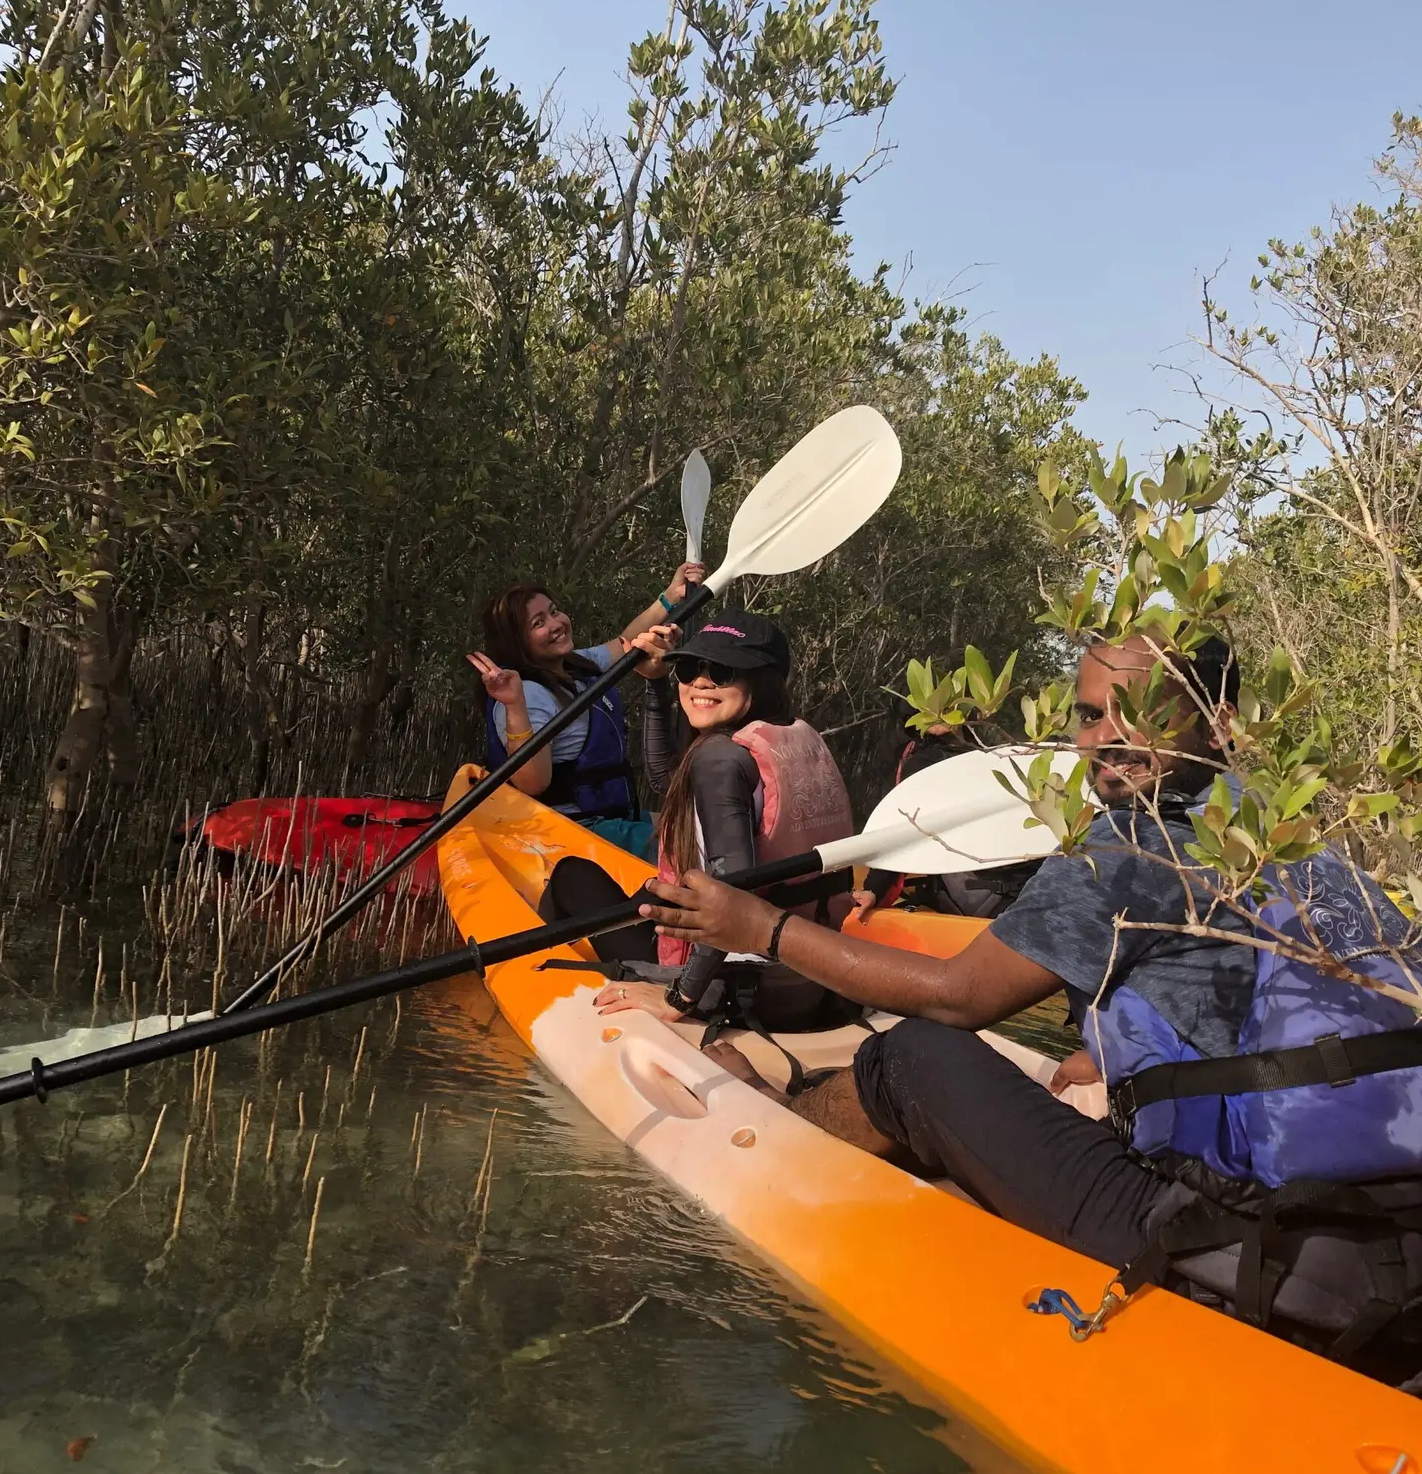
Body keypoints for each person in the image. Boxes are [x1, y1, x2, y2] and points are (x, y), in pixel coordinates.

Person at [639, 631, 1422, 1388]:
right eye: (1089, 714)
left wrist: (760, 929)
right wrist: (1108, 1057)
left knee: (912, 1057)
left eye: (1141, 708)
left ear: (1215, 719)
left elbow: (959, 998)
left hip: (1220, 1238)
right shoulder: (1284, 831)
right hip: (1379, 1238)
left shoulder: (1129, 849)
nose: (1107, 736)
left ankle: (780, 1119)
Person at [587, 609, 855, 1034]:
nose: (701, 681)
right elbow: (664, 778)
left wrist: (679, 998)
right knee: (632, 900)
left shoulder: (721, 757)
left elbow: (730, 892)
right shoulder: (793, 736)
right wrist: (656, 683)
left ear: (760, 680)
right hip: (812, 980)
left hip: (740, 992)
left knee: (574, 880)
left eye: (723, 671)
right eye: (691, 667)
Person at [467, 564, 703, 858]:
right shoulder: (528, 693)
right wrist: (514, 704)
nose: (555, 624)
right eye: (538, 623)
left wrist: (669, 597)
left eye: (554, 611)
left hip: (610, 817)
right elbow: (533, 782)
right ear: (516, 641)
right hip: (572, 830)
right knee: (699, 846)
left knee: (699, 828)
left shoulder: (572, 665)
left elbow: (625, 644)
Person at [852, 722, 1042, 922]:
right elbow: (900, 830)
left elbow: (898, 831)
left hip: (1005, 893)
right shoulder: (925, 759)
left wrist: (875, 888)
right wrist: (874, 889)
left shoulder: (987, 749)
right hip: (995, 894)